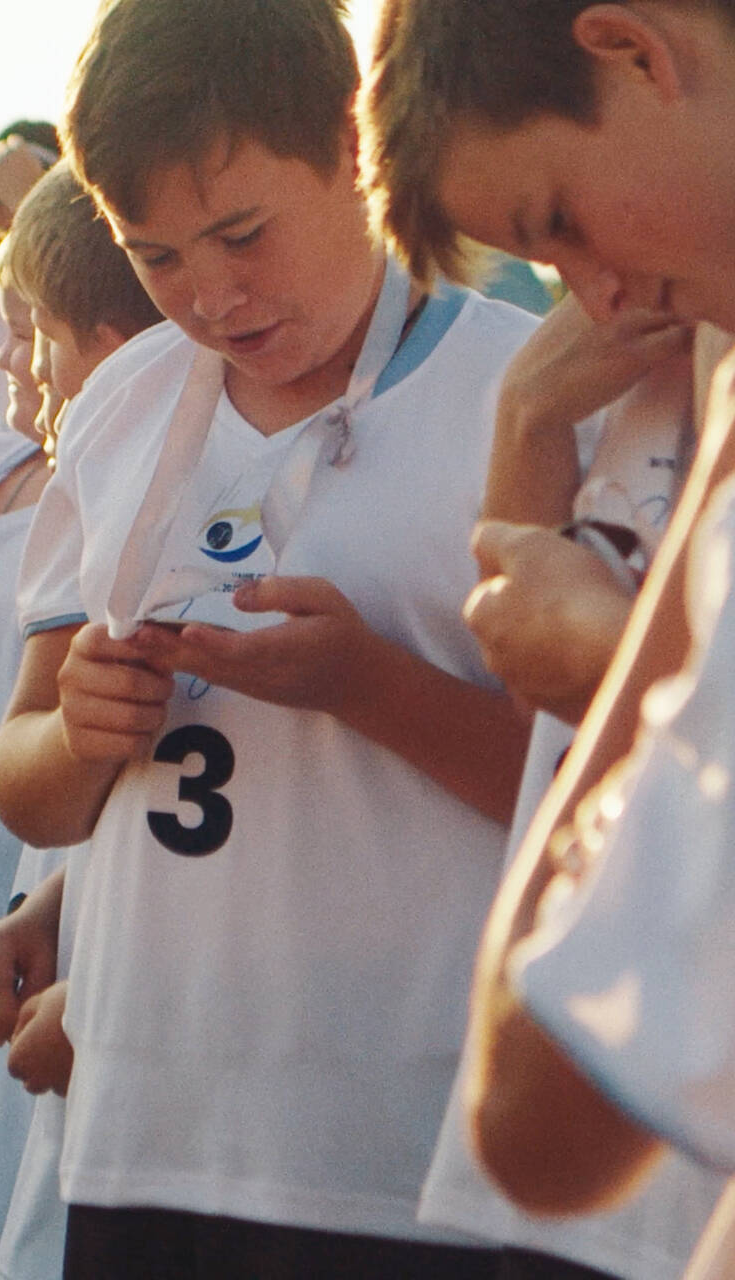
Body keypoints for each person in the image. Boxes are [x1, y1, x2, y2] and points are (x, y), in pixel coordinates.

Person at [0, 0, 542, 1275]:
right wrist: (78, 728)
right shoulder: (124, 401)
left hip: (397, 1151)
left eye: (240, 234)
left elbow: (596, 801)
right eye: (156, 256)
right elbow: (23, 780)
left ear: (353, 152)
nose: (210, 295)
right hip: (143, 1125)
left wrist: (365, 684)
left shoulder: (518, 394)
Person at [361, 0, 735, 1249]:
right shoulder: (624, 359)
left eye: (558, 224)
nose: (593, 290)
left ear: (633, 49)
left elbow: (531, 1115)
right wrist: (525, 416)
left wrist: (626, 657)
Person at [0, 161, 159, 1280]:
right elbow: (39, 768)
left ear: (119, 357)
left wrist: (123, 979)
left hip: (168, 1047)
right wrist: (52, 904)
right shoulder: (88, 482)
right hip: (78, 954)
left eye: (41, 338)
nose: (25, 370)